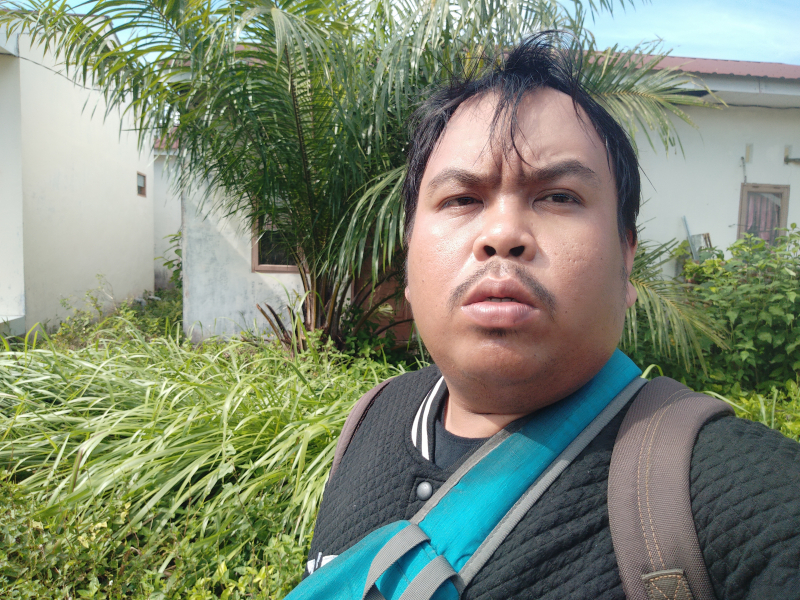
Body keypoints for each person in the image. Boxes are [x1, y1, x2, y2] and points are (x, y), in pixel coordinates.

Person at [305, 33, 800, 599]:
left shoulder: (725, 493)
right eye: (462, 199)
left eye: (559, 196)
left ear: (626, 258)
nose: (502, 234)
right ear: (409, 260)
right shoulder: (372, 418)